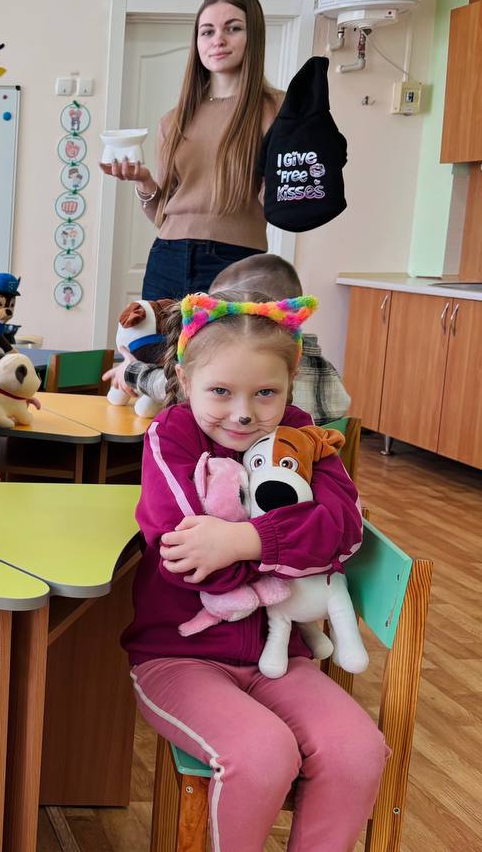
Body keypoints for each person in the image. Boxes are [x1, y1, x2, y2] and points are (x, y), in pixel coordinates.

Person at [122, 289, 387, 851]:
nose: (243, 413)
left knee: (359, 752)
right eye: (221, 391)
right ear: (185, 380)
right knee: (263, 752)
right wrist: (295, 555)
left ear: (289, 386)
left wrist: (244, 540)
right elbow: (189, 563)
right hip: (178, 656)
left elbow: (344, 531)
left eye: (265, 393)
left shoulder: (306, 437)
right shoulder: (170, 435)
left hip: (281, 654)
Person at [101, 0, 283, 299]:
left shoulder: (277, 109)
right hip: (166, 257)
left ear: (254, 36)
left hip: (236, 262)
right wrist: (144, 181)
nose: (218, 40)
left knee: (227, 337)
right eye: (207, 32)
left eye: (233, 28)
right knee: (147, 335)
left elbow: (280, 201)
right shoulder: (173, 120)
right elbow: (161, 215)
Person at [105, 254, 351, 424]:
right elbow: (343, 404)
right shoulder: (324, 368)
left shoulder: (245, 360)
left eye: (222, 314)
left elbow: (171, 385)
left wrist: (131, 371)